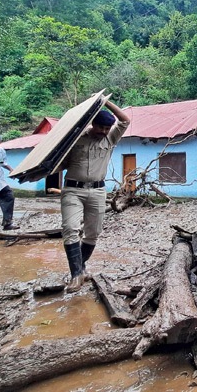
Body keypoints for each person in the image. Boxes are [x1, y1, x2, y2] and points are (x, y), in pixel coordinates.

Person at [59, 103, 130, 293]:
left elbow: (125, 120)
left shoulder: (111, 139)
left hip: (98, 191)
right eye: (101, 127)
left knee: (93, 233)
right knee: (70, 228)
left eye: (107, 128)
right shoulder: (75, 139)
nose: (104, 131)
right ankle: (76, 275)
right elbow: (59, 162)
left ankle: (80, 269)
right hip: (73, 190)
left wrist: (104, 102)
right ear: (92, 124)